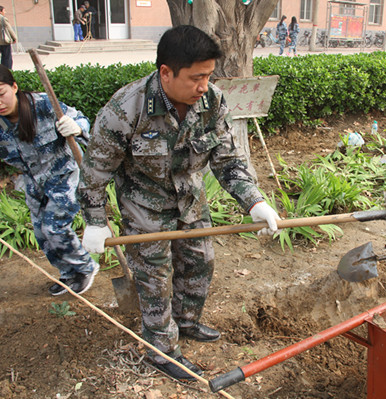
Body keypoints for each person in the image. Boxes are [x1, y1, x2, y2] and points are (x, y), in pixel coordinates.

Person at [77, 25, 281, 381]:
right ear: (166, 73)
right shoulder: (126, 108)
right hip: (145, 208)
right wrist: (95, 221)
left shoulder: (212, 102)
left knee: (199, 263)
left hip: (190, 199)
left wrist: (255, 203)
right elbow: (96, 172)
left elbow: (228, 161)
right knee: (154, 280)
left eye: (208, 76)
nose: (204, 86)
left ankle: (186, 321)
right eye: (196, 77)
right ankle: (161, 350)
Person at [0, 63, 99, 296]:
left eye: (0, 93)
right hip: (34, 183)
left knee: (55, 227)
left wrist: (76, 127)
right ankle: (68, 274)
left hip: (65, 174)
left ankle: (85, 268)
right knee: (41, 233)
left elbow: (82, 120)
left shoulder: (44, 105)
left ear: (14, 87)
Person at [0, 5, 16, 69]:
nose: (5, 12)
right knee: (7, 57)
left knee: (3, 56)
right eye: (4, 11)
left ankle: (2, 68)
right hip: (5, 40)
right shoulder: (3, 19)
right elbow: (9, 28)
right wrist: (14, 38)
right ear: (0, 11)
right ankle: (8, 70)